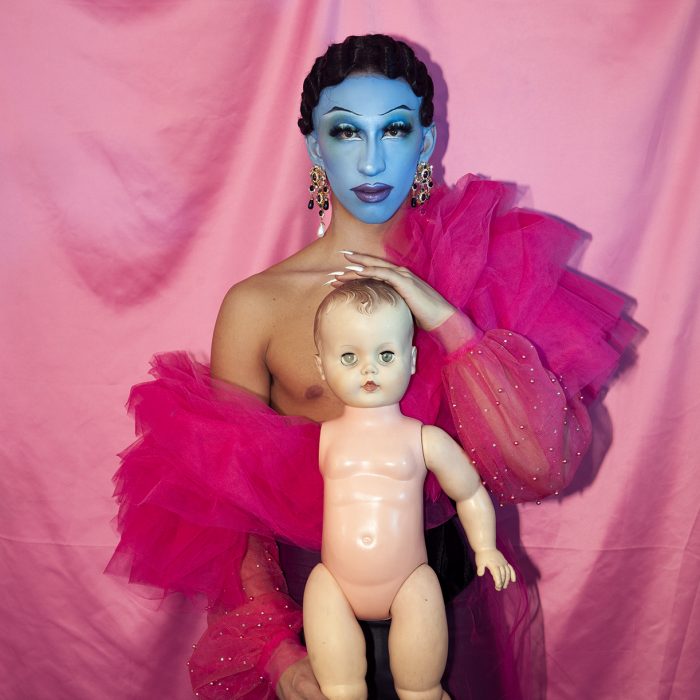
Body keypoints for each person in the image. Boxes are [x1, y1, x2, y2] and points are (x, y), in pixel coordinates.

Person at [107, 34, 636, 699]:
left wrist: (446, 319)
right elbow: (227, 508)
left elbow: (539, 464)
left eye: (394, 129)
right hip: (314, 614)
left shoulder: (484, 275)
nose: (372, 159)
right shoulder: (258, 305)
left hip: (447, 603)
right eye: (346, 131)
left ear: (426, 141)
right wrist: (276, 650)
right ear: (314, 147)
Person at [306, 279, 515, 700]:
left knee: (421, 689)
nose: (369, 370)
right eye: (349, 357)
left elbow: (469, 492)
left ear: (411, 359)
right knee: (339, 690)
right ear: (322, 365)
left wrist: (486, 547)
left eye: (385, 355)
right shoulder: (320, 437)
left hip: (408, 582)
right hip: (334, 582)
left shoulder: (423, 439)